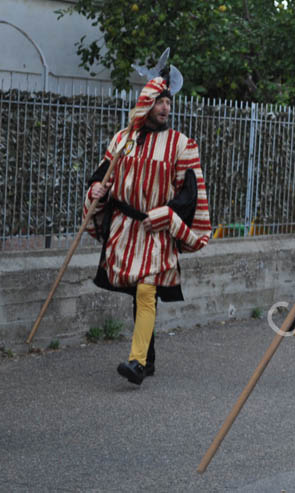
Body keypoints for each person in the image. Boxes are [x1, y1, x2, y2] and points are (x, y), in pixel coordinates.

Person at [84, 74, 211, 385]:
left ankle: (138, 363)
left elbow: (189, 193)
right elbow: (103, 176)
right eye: (160, 101)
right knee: (137, 292)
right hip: (125, 229)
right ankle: (148, 358)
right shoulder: (122, 140)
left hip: (156, 228)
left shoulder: (182, 144)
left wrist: (168, 214)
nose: (166, 108)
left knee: (145, 290)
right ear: (145, 104)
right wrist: (98, 190)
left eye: (169, 102)